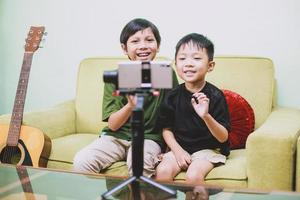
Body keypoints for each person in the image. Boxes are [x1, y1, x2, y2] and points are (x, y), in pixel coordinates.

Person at [73, 18, 178, 177]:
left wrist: (171, 148)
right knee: (82, 161)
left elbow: (175, 113)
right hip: (115, 137)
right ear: (124, 48)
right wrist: (130, 105)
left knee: (141, 165)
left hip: (148, 138)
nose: (143, 45)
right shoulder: (117, 76)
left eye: (149, 40)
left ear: (158, 45)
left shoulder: (165, 73)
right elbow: (113, 126)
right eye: (135, 41)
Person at [155, 33, 230, 185]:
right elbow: (166, 129)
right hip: (180, 148)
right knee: (162, 171)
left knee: (194, 175)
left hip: (208, 150)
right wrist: (177, 151)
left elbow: (223, 137)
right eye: (182, 59)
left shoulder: (216, 96)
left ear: (210, 66)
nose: (188, 64)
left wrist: (206, 115)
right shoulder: (173, 95)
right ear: (176, 64)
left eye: (196, 58)